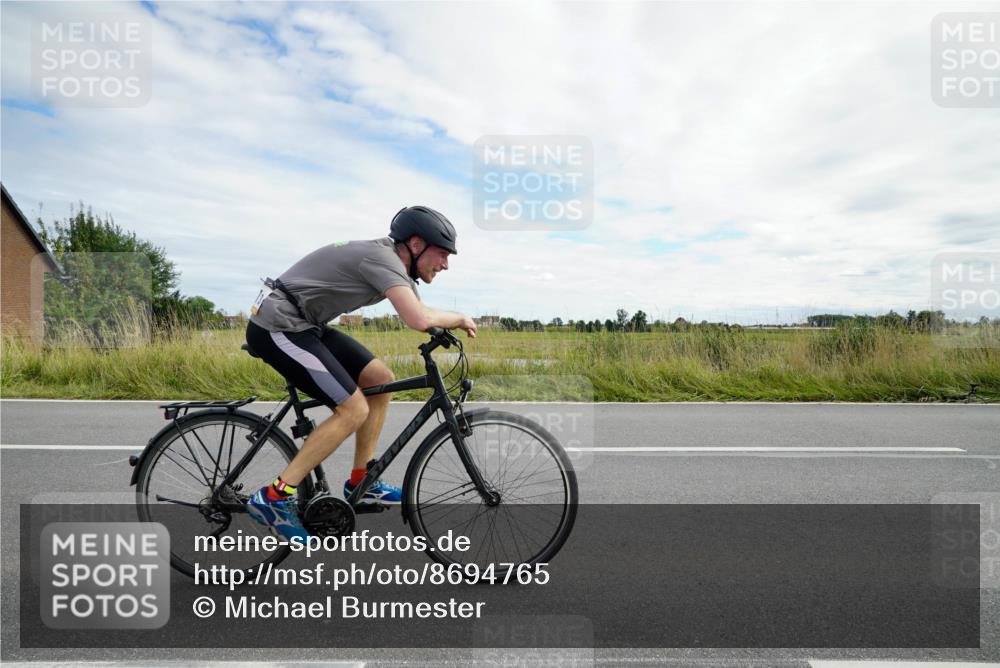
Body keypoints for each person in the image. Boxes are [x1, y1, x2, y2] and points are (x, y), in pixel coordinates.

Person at [243, 206, 477, 540]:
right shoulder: (382, 260)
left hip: (305, 323)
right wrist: (459, 317)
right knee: (353, 409)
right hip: (277, 325)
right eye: (442, 253)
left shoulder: (391, 261)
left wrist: (438, 327)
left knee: (380, 379)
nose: (445, 264)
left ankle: (360, 481)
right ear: (415, 244)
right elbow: (419, 319)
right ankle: (275, 497)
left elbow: (419, 310)